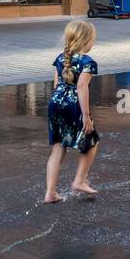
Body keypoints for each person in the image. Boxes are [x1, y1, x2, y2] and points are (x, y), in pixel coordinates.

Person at [45, 20, 100, 202]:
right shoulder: (88, 62)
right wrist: (86, 116)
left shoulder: (61, 58)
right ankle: (79, 181)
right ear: (86, 41)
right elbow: (82, 86)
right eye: (93, 39)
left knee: (58, 147)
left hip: (55, 103)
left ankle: (50, 193)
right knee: (91, 140)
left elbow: (56, 84)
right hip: (73, 105)